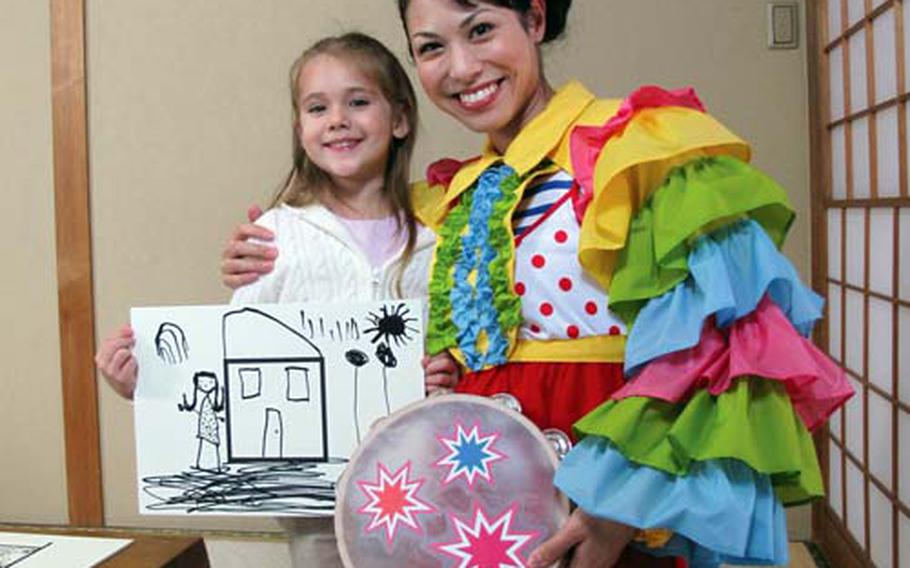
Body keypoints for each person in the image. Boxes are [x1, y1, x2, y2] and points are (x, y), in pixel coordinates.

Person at [221, 2, 852, 567]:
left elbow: (731, 343)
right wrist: (275, 245)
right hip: (481, 497)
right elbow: (360, 249)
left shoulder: (635, 147)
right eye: (432, 48)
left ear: (537, 18)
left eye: (482, 30)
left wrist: (615, 508)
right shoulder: (448, 199)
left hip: (619, 494)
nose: (462, 67)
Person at [96, 32, 460, 568]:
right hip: (316, 506)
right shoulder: (275, 237)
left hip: (422, 482)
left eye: (358, 101)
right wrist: (149, 385)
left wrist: (445, 371)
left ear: (400, 118)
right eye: (318, 107)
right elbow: (233, 350)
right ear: (300, 129)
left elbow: (463, 341)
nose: (337, 118)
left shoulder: (440, 235)